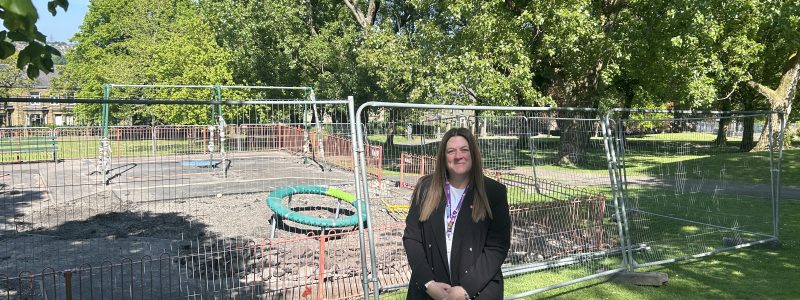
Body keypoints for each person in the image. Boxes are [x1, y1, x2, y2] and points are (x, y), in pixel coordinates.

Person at [403, 127, 511, 300]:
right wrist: (428, 284)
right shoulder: (425, 189)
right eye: (451, 151)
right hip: (430, 291)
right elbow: (412, 238)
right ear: (443, 157)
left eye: (464, 149)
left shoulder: (494, 192)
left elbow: (497, 247)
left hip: (477, 290)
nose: (458, 156)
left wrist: (466, 289)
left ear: (473, 154)